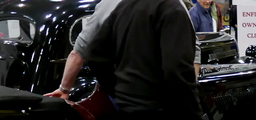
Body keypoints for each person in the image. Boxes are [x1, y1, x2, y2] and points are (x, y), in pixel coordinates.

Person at [83, 0, 204, 120]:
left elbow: (94, 55)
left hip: (133, 112)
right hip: (165, 115)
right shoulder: (172, 9)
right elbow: (177, 70)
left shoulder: (125, 6)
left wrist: (119, 92)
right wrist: (195, 118)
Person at [45, 0, 202, 100]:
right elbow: (192, 50)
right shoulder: (173, 3)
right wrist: (189, 96)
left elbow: (78, 52)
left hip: (127, 93)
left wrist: (64, 89)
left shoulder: (108, 4)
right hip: (162, 93)